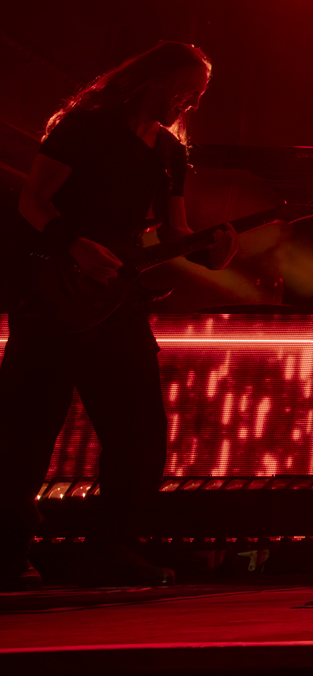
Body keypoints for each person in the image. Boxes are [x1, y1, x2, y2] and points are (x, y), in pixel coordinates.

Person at [1, 41, 236, 590]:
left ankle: (114, 548)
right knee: (24, 430)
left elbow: (174, 230)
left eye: (199, 96)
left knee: (140, 432)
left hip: (116, 302)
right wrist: (73, 244)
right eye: (186, 90)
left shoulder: (170, 153)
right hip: (51, 292)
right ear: (154, 80)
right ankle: (6, 552)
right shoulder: (84, 127)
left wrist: (211, 252)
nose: (190, 103)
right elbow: (33, 199)